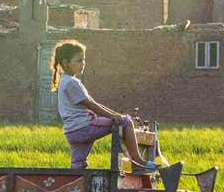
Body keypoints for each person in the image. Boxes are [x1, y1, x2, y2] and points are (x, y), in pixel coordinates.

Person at [51, 40, 152, 171]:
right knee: (126, 121)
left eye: (84, 60)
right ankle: (137, 163)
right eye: (78, 60)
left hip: (72, 132)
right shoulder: (71, 83)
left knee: (77, 165)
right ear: (65, 63)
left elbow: (94, 103)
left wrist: (114, 115)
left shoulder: (67, 82)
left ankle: (77, 188)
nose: (83, 64)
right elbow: (91, 105)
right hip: (84, 127)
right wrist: (115, 116)